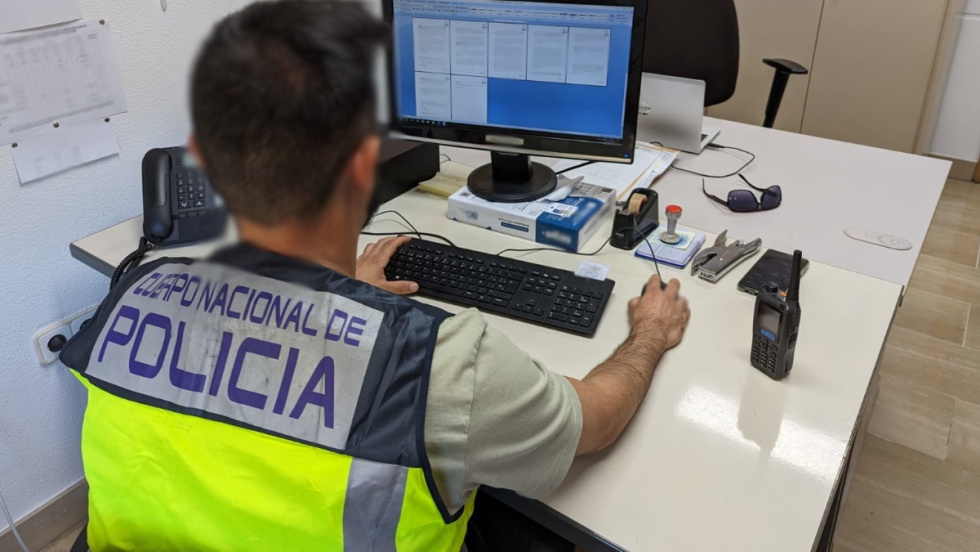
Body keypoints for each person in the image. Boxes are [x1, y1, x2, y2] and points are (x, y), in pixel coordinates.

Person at [59, 1, 690, 550]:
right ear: (365, 166)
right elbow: (593, 423)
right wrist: (648, 337)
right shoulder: (439, 363)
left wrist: (350, 295)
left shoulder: (133, 288)